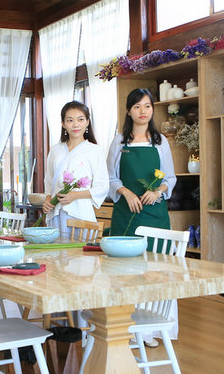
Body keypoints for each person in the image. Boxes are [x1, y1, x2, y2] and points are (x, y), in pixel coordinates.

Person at [106, 88, 178, 345]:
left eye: (147, 106)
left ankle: (151, 329)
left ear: (152, 109)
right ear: (129, 111)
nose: (142, 111)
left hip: (154, 213)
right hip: (127, 212)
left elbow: (170, 177)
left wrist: (158, 190)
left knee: (156, 269)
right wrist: (125, 192)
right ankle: (126, 327)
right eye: (137, 106)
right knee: (126, 270)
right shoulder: (119, 142)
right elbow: (110, 178)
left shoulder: (160, 142)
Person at [42, 101, 109, 238]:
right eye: (70, 120)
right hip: (56, 211)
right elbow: (49, 181)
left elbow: (102, 187)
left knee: (80, 251)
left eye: (80, 119)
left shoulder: (95, 151)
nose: (76, 124)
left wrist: (75, 195)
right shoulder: (55, 150)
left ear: (87, 122)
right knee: (56, 250)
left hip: (80, 213)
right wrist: (48, 200)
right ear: (63, 124)